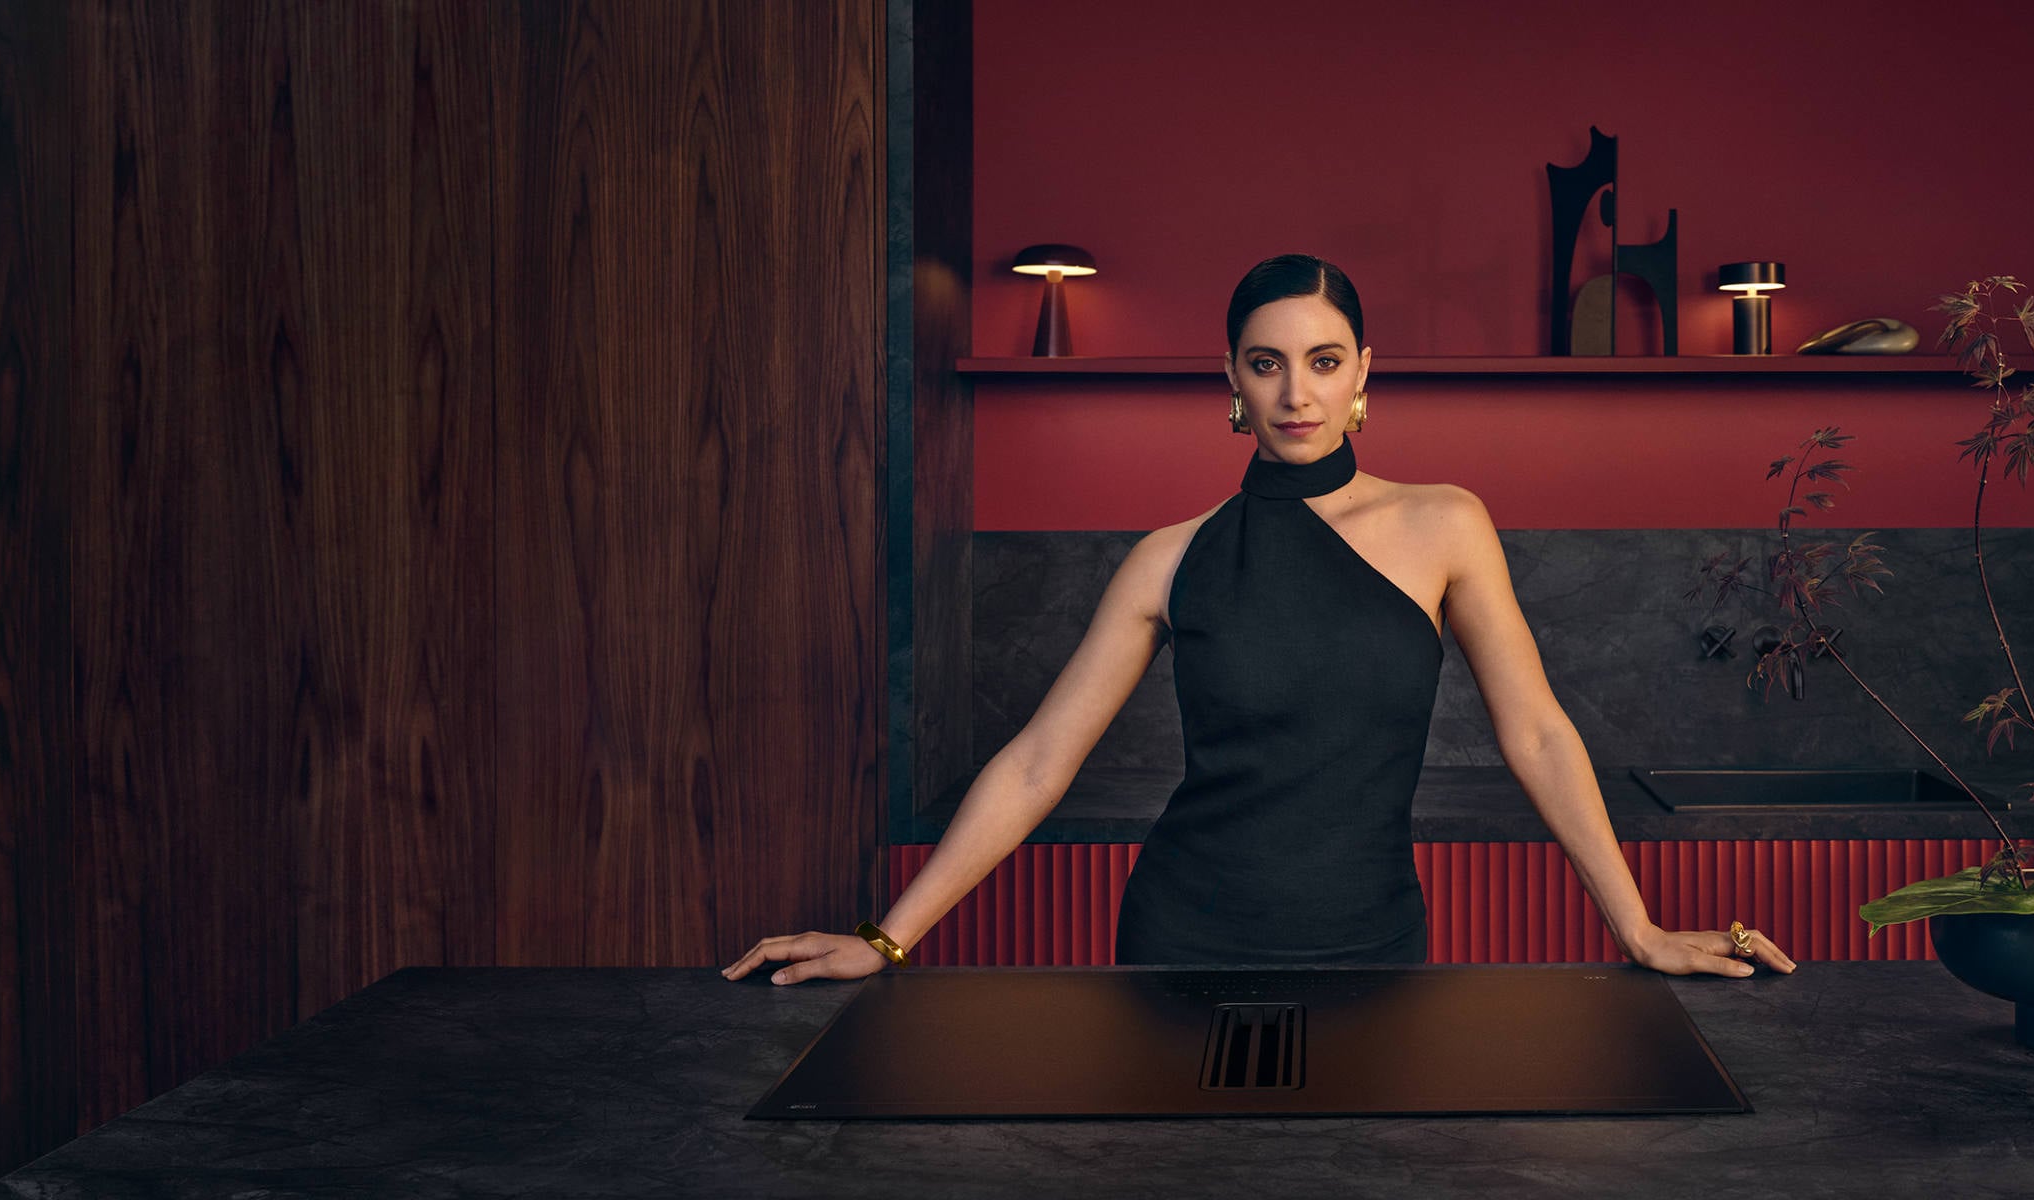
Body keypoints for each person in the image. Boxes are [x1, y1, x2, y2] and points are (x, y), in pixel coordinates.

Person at [724, 254, 1796, 986]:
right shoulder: (1170, 557)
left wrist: (1639, 928)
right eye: (1267, 363)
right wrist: (887, 939)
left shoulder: (1446, 526)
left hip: (1373, 948)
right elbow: (1039, 761)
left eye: (1325, 363)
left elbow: (1539, 735)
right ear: (1230, 381)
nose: (1297, 394)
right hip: (1180, 939)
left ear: (1364, 377)